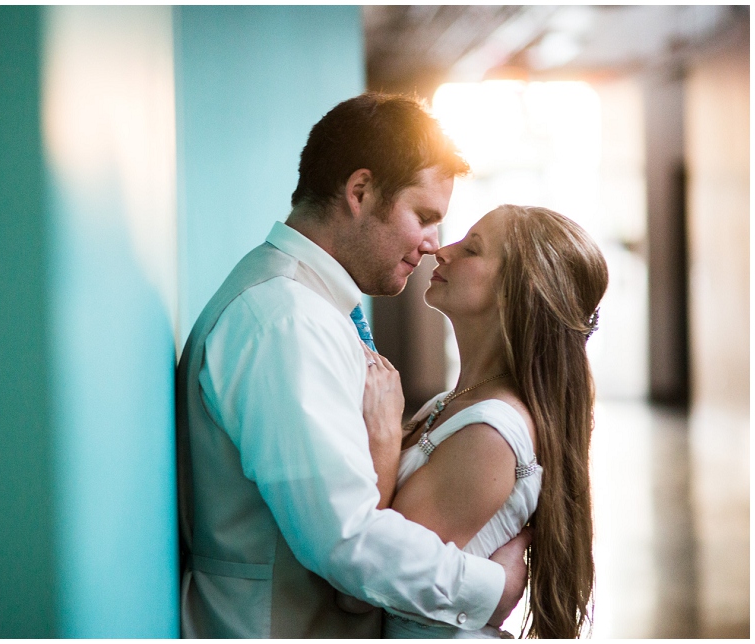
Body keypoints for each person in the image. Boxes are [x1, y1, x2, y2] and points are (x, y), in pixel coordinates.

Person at [176, 92, 530, 638]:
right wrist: (490, 589)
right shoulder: (286, 321)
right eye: (425, 216)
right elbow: (345, 537)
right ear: (360, 191)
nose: (434, 245)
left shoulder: (307, 308)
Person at [361, 204, 608, 638]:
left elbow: (367, 576)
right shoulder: (454, 401)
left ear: (515, 293)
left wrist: (383, 441)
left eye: (471, 249)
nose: (442, 250)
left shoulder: (490, 434)